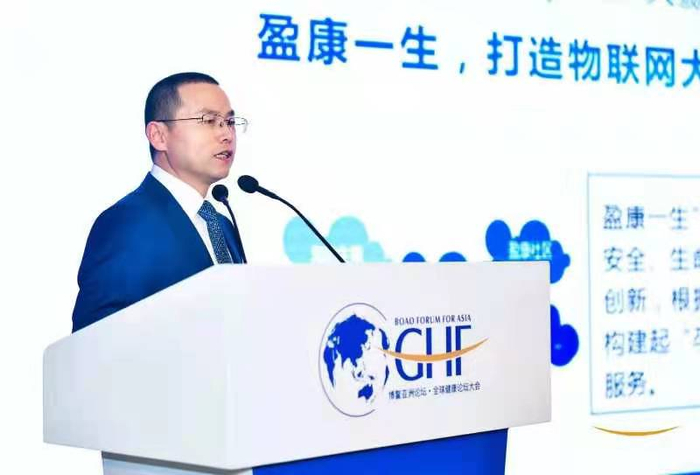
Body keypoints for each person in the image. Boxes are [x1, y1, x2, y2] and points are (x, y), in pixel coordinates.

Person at [71, 72, 246, 332]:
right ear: (158, 136)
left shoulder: (221, 224)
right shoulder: (125, 224)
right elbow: (93, 338)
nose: (226, 134)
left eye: (229, 122)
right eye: (209, 120)